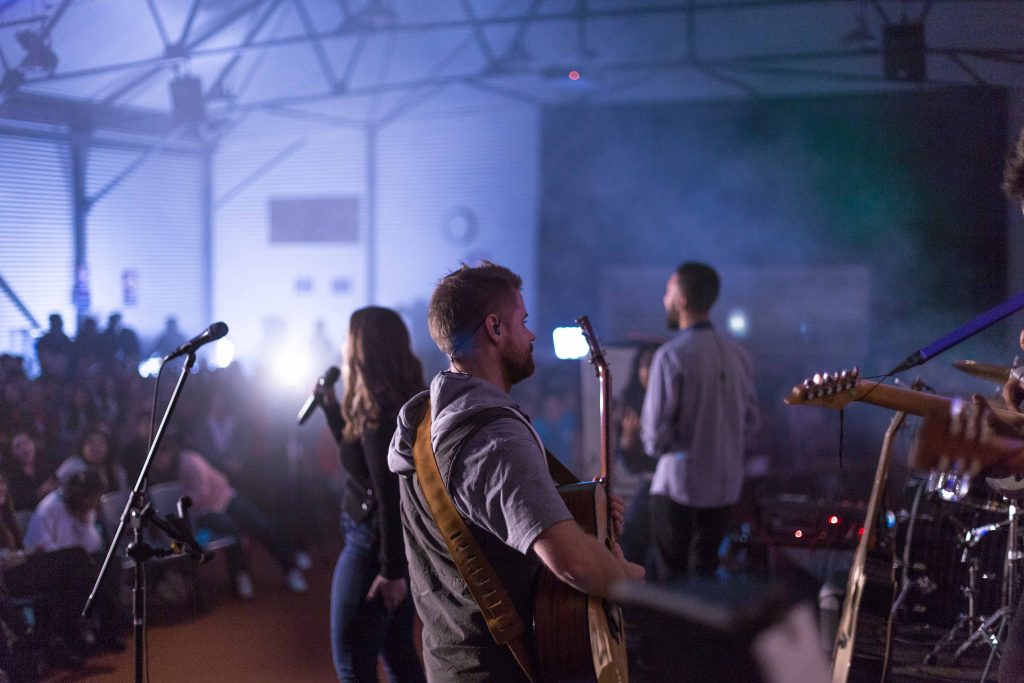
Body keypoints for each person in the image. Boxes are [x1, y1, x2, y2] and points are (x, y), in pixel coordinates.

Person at [388, 261, 644, 681]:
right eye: (522, 321)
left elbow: (486, 526)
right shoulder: (494, 435)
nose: (531, 334)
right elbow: (573, 564)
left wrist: (585, 516)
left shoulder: (426, 419)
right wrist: (627, 576)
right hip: (504, 667)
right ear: (495, 328)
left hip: (454, 662)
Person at [314, 307, 426, 682]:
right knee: (396, 654)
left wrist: (391, 571)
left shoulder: (379, 411)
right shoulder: (397, 401)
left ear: (362, 347)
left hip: (372, 547)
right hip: (390, 546)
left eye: (349, 337)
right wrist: (331, 409)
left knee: (353, 663)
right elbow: (362, 461)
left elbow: (390, 494)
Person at [640, 262, 759, 581]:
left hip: (679, 486)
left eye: (667, 291)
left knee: (672, 583)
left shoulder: (671, 355)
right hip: (724, 488)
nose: (663, 299)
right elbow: (750, 421)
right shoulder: (739, 355)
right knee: (705, 579)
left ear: (681, 299)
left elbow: (653, 438)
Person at [150, 431, 308, 599]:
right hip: (205, 514)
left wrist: (182, 503)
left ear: (169, 452)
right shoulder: (162, 474)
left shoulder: (191, 461)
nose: (159, 462)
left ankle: (291, 569)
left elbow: (202, 493)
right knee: (232, 533)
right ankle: (241, 576)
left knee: (262, 526)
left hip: (226, 499)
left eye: (161, 456)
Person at [616, 342, 660, 568]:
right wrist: (628, 439)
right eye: (646, 365)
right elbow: (630, 464)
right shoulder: (632, 405)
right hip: (649, 483)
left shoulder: (673, 402)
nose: (651, 371)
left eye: (656, 364)